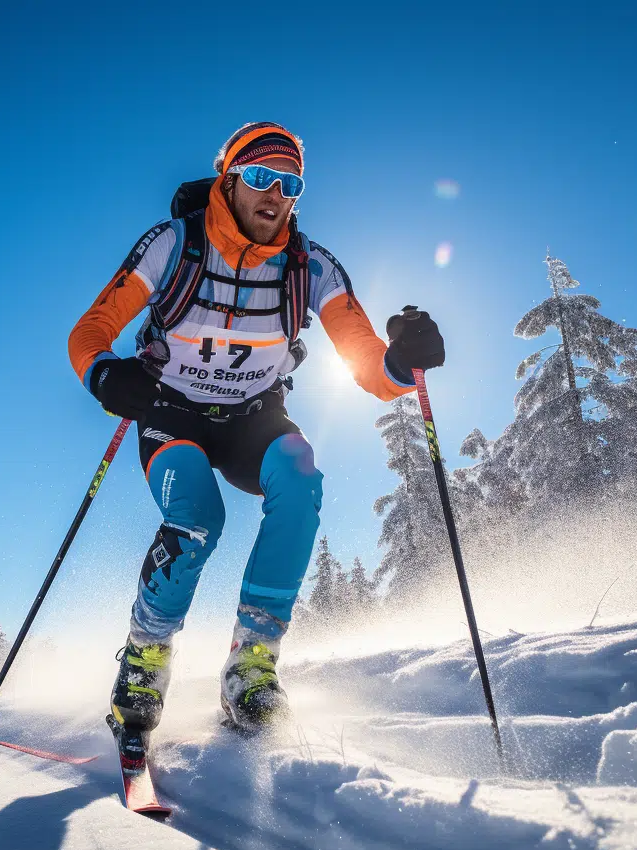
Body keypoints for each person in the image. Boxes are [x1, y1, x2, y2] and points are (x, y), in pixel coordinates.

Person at [68, 122, 444, 734]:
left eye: (290, 183)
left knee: (301, 480)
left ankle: (254, 663)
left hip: (253, 416)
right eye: (261, 177)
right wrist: (108, 378)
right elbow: (88, 334)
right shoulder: (173, 244)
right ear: (231, 178)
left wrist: (404, 361)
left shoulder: (311, 267)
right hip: (172, 413)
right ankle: (145, 657)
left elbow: (372, 366)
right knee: (196, 520)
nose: (275, 194)